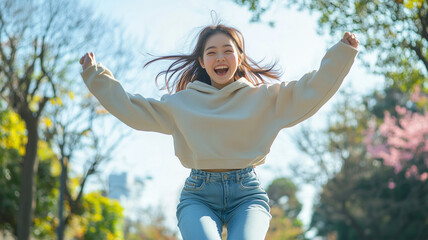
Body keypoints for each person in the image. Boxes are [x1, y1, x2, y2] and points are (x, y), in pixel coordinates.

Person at [80, 23, 359, 240]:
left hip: (247, 194)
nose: (220, 57)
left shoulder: (263, 99)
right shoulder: (181, 104)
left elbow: (308, 91)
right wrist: (95, 76)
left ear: (239, 57)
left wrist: (342, 54)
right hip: (198, 195)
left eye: (227, 50)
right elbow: (133, 109)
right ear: (202, 62)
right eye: (211, 53)